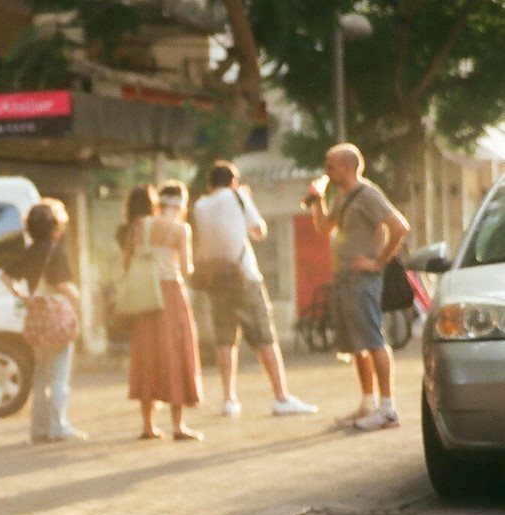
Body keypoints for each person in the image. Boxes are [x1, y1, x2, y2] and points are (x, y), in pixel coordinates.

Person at [192, 160, 318, 418]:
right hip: (244, 277)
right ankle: (281, 396)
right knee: (264, 336)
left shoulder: (200, 205)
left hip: (216, 279)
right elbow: (259, 230)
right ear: (233, 181)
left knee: (225, 339)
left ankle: (229, 399)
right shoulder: (237, 196)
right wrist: (245, 200)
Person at [307, 143, 410, 430]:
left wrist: (378, 262)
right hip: (343, 278)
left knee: (372, 339)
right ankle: (368, 403)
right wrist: (317, 200)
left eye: (332, 165)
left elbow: (400, 227)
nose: (327, 170)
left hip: (363, 279)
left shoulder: (368, 194)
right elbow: (324, 228)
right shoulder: (342, 196)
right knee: (356, 343)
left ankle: (388, 408)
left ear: (348, 166)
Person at [118, 183, 204, 440]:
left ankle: (148, 425)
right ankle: (178, 425)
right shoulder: (180, 229)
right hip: (172, 294)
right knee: (176, 353)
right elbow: (187, 268)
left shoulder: (139, 227)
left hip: (145, 295)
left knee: (147, 354)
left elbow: (126, 262)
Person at [0, 198, 87, 443]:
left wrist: (24, 297)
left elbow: (5, 276)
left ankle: (39, 429)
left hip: (36, 315)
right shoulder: (55, 250)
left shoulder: (29, 251)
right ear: (54, 225)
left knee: (41, 374)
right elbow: (61, 284)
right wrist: (75, 294)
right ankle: (59, 426)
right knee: (59, 374)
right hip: (56, 317)